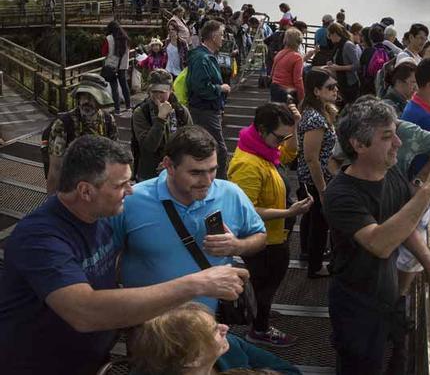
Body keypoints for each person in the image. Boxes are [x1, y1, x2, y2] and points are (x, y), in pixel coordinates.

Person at [0, 136, 249, 375]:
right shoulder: (40, 239)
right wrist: (198, 283)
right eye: (121, 185)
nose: (130, 191)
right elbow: (84, 311)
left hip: (90, 359)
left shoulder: (103, 215)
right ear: (86, 191)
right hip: (39, 365)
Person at [325, 98, 430, 374]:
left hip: (385, 298)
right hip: (356, 308)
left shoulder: (390, 174)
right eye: (387, 137)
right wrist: (428, 189)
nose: (398, 144)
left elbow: (405, 226)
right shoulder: (341, 194)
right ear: (359, 145)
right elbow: (381, 243)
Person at [109, 126, 267, 312]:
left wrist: (237, 246)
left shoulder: (231, 194)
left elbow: (260, 236)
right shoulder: (131, 200)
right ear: (169, 165)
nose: (207, 181)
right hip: (147, 324)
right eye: (196, 173)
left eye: (212, 170)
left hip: (207, 324)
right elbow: (106, 256)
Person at [228, 103, 314, 347]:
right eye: (279, 137)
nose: (281, 143)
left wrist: (294, 129)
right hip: (265, 240)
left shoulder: (265, 149)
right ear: (263, 129)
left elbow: (290, 153)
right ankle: (260, 328)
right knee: (265, 283)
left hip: (277, 234)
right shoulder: (248, 163)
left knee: (268, 284)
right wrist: (288, 211)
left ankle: (261, 313)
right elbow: (246, 209)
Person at [129, 302, 300, 375]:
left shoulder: (230, 344)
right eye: (213, 330)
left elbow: (289, 371)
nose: (225, 328)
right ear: (192, 358)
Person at [297, 68, 339, 278]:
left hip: (314, 178)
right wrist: (322, 190)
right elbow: (311, 158)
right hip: (316, 179)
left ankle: (307, 254)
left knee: (312, 219)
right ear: (316, 91)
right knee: (319, 224)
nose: (335, 90)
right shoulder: (316, 119)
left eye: (335, 86)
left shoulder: (318, 112)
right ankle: (315, 266)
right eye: (330, 87)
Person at [44, 73, 118, 193]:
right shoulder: (63, 124)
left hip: (98, 185)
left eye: (92, 97)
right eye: (83, 96)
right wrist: (51, 203)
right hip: (71, 187)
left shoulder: (108, 121)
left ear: (101, 100)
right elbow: (56, 168)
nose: (87, 101)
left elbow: (114, 157)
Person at [188, 20, 233, 178]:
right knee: (219, 149)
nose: (223, 38)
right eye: (221, 34)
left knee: (208, 146)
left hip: (206, 109)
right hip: (205, 109)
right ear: (213, 36)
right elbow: (200, 87)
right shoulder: (203, 58)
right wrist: (220, 88)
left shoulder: (202, 55)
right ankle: (218, 183)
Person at [132, 69, 193, 181]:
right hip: (149, 173)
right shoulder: (141, 112)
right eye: (154, 91)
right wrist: (160, 119)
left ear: (170, 90)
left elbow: (190, 141)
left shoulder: (181, 111)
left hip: (176, 170)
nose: (158, 96)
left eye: (162, 92)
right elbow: (148, 146)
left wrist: (171, 162)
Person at [102, 19, 133, 114]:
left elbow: (104, 52)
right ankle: (128, 106)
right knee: (124, 85)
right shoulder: (125, 38)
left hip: (111, 66)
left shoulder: (109, 38)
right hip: (123, 66)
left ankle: (117, 109)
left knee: (114, 87)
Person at [326, 22, 361, 104]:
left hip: (350, 84)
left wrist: (338, 68)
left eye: (330, 35)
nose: (330, 38)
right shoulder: (338, 45)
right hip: (341, 83)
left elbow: (357, 65)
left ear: (334, 34)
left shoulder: (348, 45)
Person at [269, 28, 305, 104]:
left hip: (275, 87)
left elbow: (272, 72)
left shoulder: (280, 53)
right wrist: (302, 96)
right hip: (288, 90)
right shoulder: (297, 57)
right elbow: (298, 80)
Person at [168, 7, 191, 76]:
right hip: (177, 42)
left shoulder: (180, 19)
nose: (183, 14)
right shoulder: (173, 21)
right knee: (178, 58)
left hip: (184, 41)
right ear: (178, 12)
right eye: (182, 12)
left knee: (184, 56)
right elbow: (171, 31)